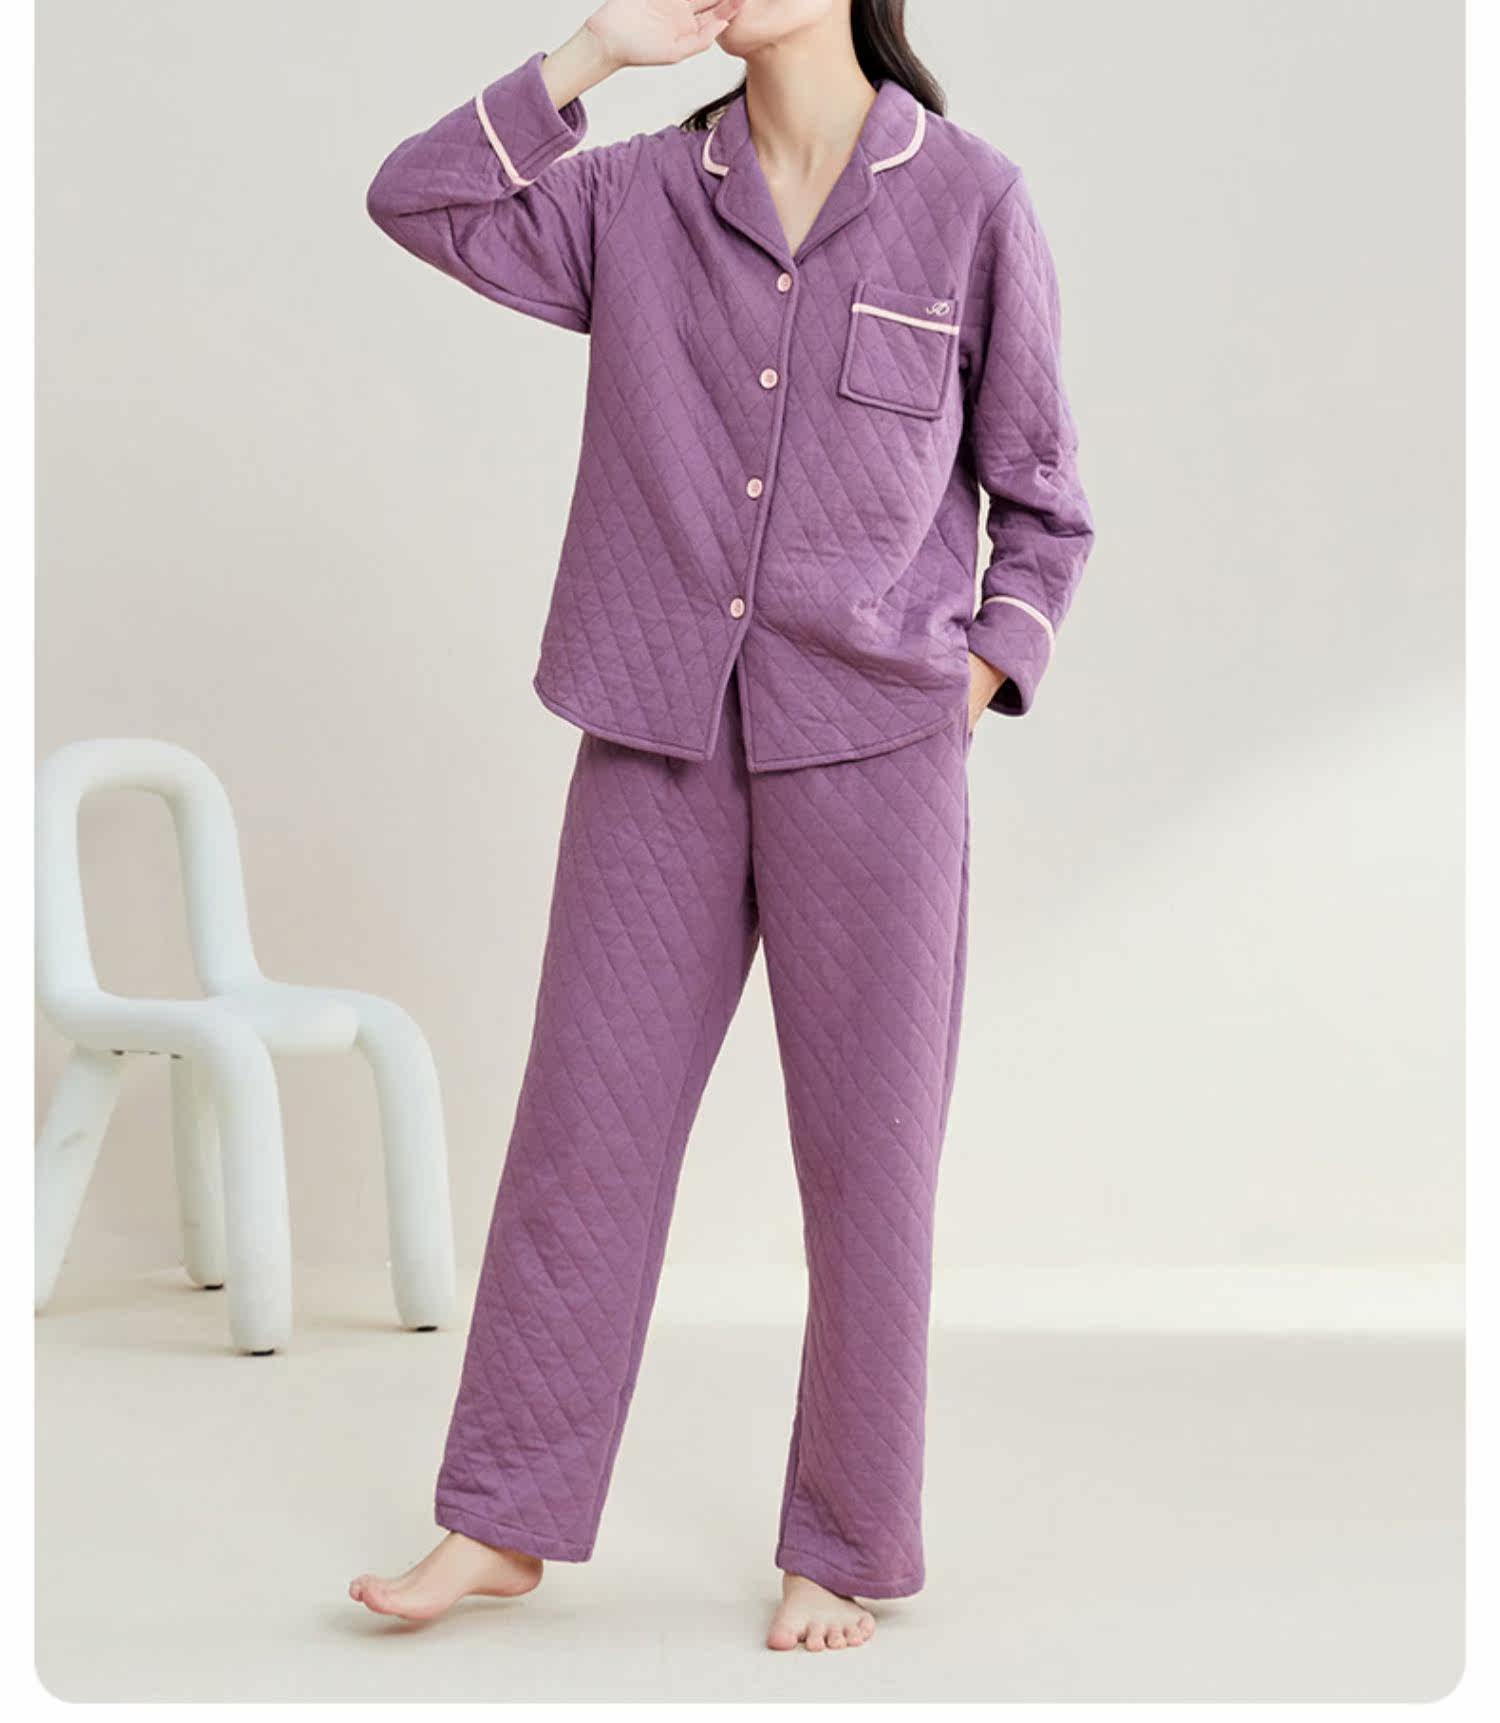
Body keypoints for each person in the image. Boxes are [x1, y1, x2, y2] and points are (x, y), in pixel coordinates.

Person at [349, 0, 1092, 1653]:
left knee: (868, 1166)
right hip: (653, 728)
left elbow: (1044, 501)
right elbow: (419, 198)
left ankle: (845, 1543)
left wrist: (977, 676)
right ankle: (501, 1521)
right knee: (583, 1140)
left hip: (877, 750)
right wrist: (591, 55)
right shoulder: (632, 197)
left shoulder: (970, 198)